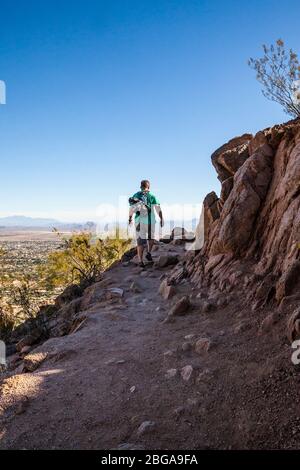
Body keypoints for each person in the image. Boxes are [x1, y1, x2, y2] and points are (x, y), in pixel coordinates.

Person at [128, 180, 164, 267]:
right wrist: (162, 218)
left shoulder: (136, 195)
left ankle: (140, 261)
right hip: (150, 221)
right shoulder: (152, 196)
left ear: (141, 186)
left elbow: (132, 209)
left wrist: (130, 218)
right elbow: (158, 209)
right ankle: (148, 252)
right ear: (149, 187)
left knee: (140, 242)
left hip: (139, 221)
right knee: (150, 238)